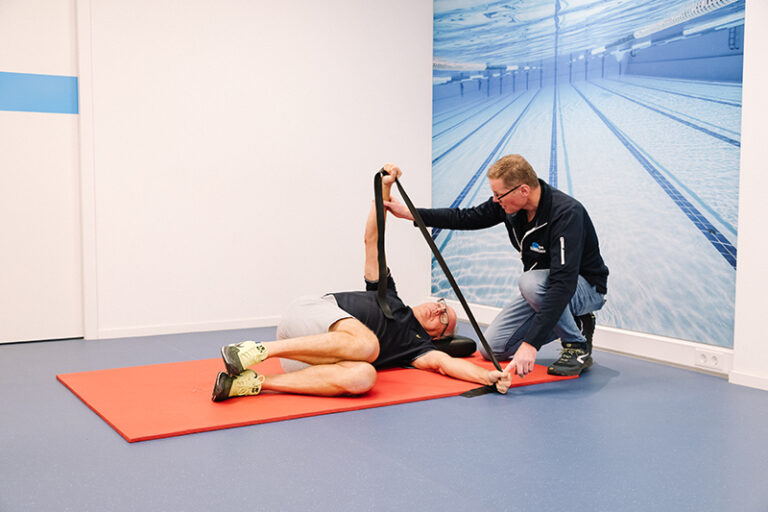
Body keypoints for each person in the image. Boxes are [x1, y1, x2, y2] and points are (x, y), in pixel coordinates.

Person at [212, 165, 512, 401]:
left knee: (364, 378)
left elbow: (446, 365)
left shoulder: (418, 349)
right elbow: (373, 240)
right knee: (368, 345)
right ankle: (254, 350)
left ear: (439, 338)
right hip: (305, 319)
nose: (438, 310)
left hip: (305, 361)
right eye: (442, 306)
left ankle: (253, 383)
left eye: (444, 319)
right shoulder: (388, 294)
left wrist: (488, 377)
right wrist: (385, 188)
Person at [384, 154, 608, 379]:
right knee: (492, 348)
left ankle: (576, 345)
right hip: (544, 290)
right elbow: (466, 217)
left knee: (529, 283)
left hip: (583, 287)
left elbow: (562, 284)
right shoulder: (510, 206)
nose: (495, 200)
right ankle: (577, 321)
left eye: (499, 195)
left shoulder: (566, 213)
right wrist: (411, 214)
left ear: (523, 190)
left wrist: (531, 344)